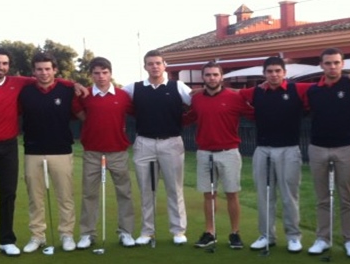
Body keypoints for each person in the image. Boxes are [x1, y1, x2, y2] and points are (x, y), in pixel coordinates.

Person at [0, 47, 83, 261]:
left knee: (8, 194)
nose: (1, 67)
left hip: (8, 147)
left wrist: (74, 83)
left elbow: (51, 80)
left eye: (4, 64)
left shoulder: (17, 83)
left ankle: (7, 240)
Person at [305, 47, 350, 258]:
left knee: (347, 197)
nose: (332, 67)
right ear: (321, 65)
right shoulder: (312, 90)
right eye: (328, 63)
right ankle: (322, 239)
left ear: (342, 64)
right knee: (323, 198)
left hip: (346, 147)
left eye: (336, 63)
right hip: (318, 147)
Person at [238, 57, 312, 253]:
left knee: (289, 195)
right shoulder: (257, 92)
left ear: (284, 72)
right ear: (264, 74)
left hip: (289, 149)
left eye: (278, 71)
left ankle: (293, 236)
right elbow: (234, 95)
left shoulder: (297, 89)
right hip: (263, 149)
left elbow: (323, 85)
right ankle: (266, 235)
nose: (274, 74)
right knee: (264, 195)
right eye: (270, 71)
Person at [123, 50, 191, 246]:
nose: (154, 66)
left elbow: (198, 102)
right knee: (146, 190)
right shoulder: (134, 88)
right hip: (144, 142)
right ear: (145, 67)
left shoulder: (177, 86)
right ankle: (147, 231)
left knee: (174, 188)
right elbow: (113, 97)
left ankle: (178, 231)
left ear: (164, 65)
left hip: (171, 142)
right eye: (150, 63)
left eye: (158, 63)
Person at [184, 61, 254, 249]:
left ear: (221, 77)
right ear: (203, 77)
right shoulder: (197, 99)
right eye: (208, 75)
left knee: (232, 194)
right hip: (204, 152)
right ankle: (210, 232)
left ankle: (234, 233)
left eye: (215, 75)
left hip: (229, 152)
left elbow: (253, 114)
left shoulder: (234, 97)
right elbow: (189, 117)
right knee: (209, 195)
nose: (212, 78)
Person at [18, 52, 78, 253]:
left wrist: (73, 83)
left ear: (55, 70)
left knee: (65, 197)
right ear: (33, 71)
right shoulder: (25, 92)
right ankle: (37, 236)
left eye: (47, 69)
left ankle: (67, 235)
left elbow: (83, 114)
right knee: (35, 198)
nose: (43, 73)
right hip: (32, 151)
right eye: (39, 69)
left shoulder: (67, 90)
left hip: (61, 150)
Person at [74, 57, 137, 249]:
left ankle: (126, 232)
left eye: (104, 72)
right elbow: (80, 114)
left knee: (124, 193)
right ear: (91, 74)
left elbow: (136, 112)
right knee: (89, 194)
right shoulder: (83, 95)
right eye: (96, 73)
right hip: (92, 152)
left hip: (118, 151)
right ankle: (87, 234)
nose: (101, 77)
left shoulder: (123, 95)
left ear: (110, 73)